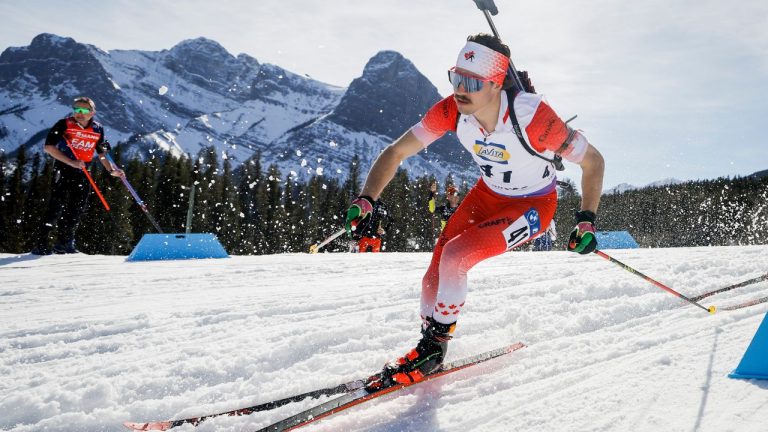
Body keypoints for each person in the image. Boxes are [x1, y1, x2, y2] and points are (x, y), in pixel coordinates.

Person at [344, 33, 604, 388]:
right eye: (456, 78)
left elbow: (593, 161)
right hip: (486, 195)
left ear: (496, 85)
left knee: (456, 257)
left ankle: (433, 349)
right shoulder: (452, 110)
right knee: (433, 276)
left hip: (532, 206)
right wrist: (367, 199)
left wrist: (586, 219)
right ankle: (429, 343)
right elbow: (395, 152)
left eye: (471, 82)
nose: (460, 89)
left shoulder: (533, 117)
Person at [31, 97, 124, 255]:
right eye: (76, 109)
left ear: (92, 112)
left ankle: (65, 243)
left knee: (77, 208)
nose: (79, 113)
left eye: (84, 110)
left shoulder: (98, 129)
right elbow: (48, 148)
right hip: (64, 168)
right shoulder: (64, 124)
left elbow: (102, 154)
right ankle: (41, 243)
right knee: (56, 205)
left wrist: (111, 170)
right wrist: (70, 162)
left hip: (83, 171)